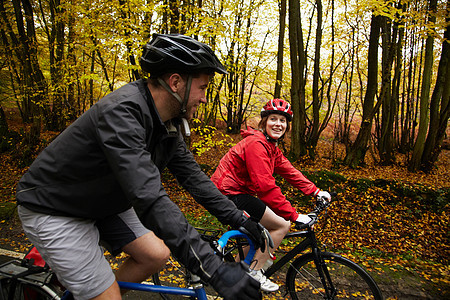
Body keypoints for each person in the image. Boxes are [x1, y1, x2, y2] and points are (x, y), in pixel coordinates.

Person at [16, 34, 264, 300]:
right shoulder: (122, 113)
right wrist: (214, 270)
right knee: (107, 297)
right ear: (176, 82)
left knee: (155, 255)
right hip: (55, 207)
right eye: (202, 88)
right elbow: (149, 197)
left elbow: (193, 177)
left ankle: (86, 293)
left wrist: (238, 218)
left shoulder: (167, 123)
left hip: (101, 202)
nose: (204, 98)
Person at [211, 98, 332, 292]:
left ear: (287, 125)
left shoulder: (270, 146)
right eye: (273, 119)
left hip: (239, 193)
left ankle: (234, 273)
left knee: (260, 235)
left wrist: (316, 191)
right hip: (229, 193)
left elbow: (289, 171)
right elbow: (265, 187)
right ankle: (253, 271)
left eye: (282, 120)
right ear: (264, 122)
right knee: (281, 225)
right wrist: (294, 215)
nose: (278, 124)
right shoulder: (256, 145)